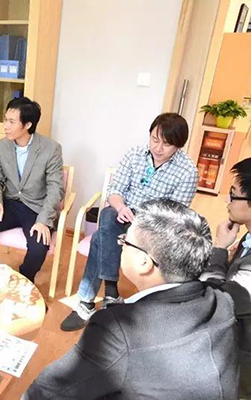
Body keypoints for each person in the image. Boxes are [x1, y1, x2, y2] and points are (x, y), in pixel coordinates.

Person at [24, 199, 238, 400]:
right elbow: (215, 277)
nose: (121, 244)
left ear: (144, 263)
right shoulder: (223, 300)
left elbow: (49, 391)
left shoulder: (118, 329)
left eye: (124, 241)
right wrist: (220, 248)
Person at [61, 113, 199, 331]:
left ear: (179, 145)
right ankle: (110, 294)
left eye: (166, 144)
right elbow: (115, 191)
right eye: (154, 139)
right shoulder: (134, 154)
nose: (158, 148)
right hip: (122, 213)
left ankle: (88, 302)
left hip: (152, 226)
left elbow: (174, 216)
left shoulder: (188, 172)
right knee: (108, 216)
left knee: (99, 240)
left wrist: (138, 229)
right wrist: (121, 207)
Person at [0, 97, 64, 283]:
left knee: (39, 247)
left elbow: (55, 188)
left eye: (12, 122)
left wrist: (44, 220)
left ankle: (25, 278)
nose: (5, 126)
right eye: (5, 120)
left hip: (36, 207)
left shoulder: (51, 149)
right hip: (10, 204)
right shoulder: (2, 146)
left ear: (28, 125)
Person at [201, 158, 251, 397]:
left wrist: (219, 248)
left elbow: (217, 300)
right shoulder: (247, 237)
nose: (227, 201)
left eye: (233, 195)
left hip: (241, 368)